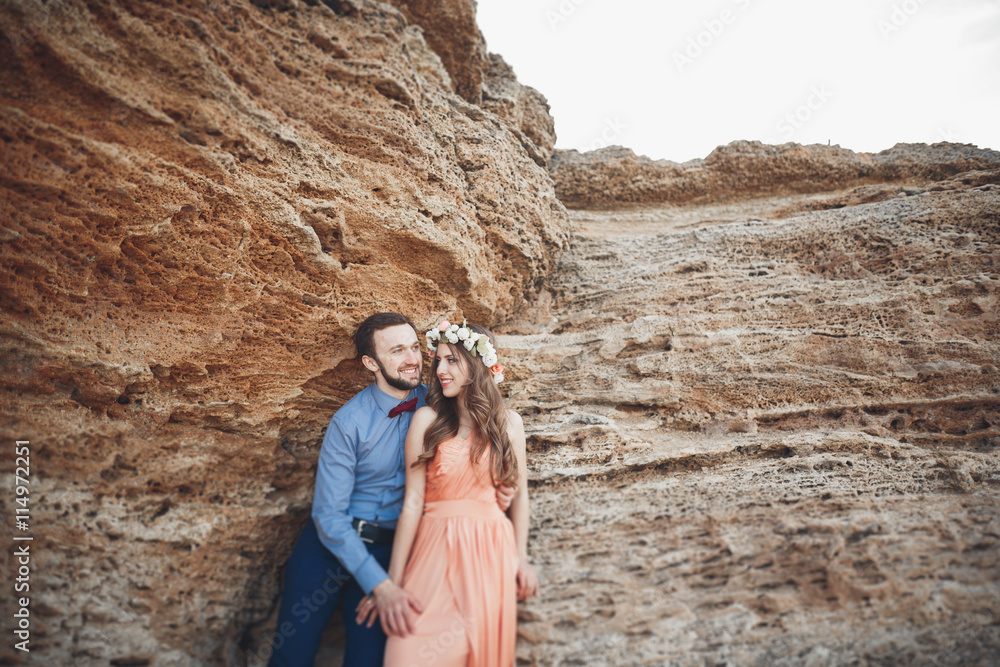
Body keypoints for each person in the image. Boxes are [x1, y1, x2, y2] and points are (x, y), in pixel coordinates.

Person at [267, 313, 515, 667]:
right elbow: (328, 515)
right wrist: (381, 587)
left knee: (369, 659)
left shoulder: (438, 407)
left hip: (391, 553)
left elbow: (473, 458)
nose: (413, 359)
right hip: (329, 550)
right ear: (372, 363)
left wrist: (496, 492)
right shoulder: (349, 422)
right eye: (397, 351)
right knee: (293, 654)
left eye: (414, 347)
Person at [357, 320, 540, 666]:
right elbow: (413, 503)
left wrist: (522, 559)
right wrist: (391, 583)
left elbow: (520, 496)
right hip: (432, 552)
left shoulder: (509, 424)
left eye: (452, 360)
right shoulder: (427, 419)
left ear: (479, 365)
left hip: (490, 554)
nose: (440, 369)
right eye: (438, 360)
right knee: (405, 655)